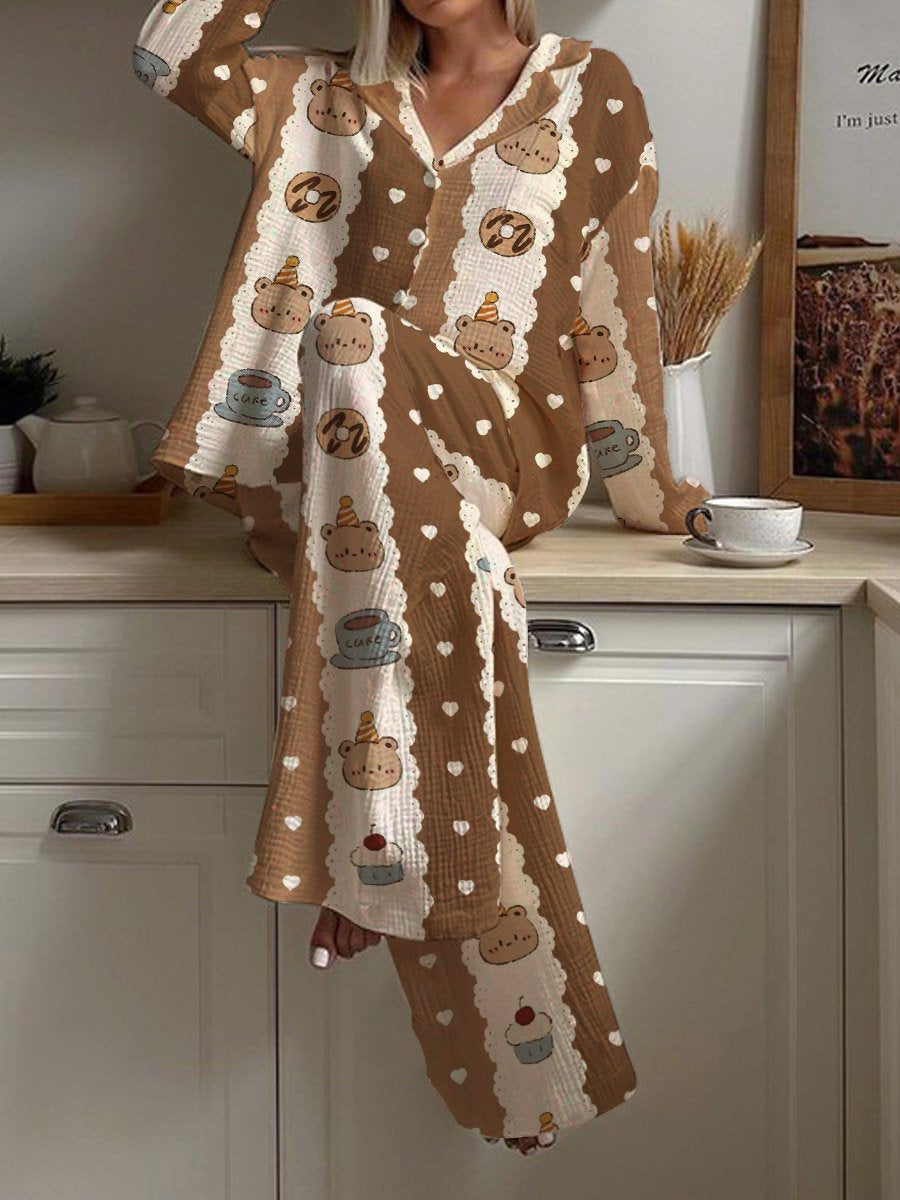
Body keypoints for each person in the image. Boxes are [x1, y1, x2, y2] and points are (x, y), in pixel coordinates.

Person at [133, 0, 708, 1157]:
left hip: (506, 451)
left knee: (349, 331)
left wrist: (654, 493)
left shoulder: (591, 88)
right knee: (361, 382)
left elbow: (616, 299)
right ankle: (400, 872)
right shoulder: (326, 93)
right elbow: (169, 50)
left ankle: (365, 849)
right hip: (342, 472)